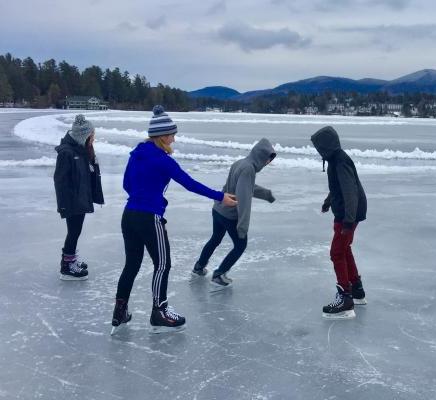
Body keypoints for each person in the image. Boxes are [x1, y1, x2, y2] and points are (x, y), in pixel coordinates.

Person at [111, 105, 237, 335]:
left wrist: (142, 195)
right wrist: (221, 197)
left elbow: (126, 185)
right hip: (150, 218)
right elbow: (189, 183)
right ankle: (159, 311)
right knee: (163, 264)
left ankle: (120, 311)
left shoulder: (137, 154)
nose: (174, 139)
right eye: (172, 135)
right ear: (163, 136)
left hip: (129, 216)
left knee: (132, 264)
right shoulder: (162, 160)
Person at [192, 138, 276, 291]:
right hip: (229, 214)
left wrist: (266, 194)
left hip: (218, 209)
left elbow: (242, 186)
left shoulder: (241, 163)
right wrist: (242, 226)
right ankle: (219, 274)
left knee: (215, 238)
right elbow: (243, 197)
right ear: (261, 156)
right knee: (240, 244)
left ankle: (199, 267)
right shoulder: (249, 169)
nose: (267, 163)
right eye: (267, 159)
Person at [310, 126, 367, 319]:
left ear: (326, 146)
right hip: (346, 212)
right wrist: (328, 202)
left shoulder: (340, 162)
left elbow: (350, 191)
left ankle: (345, 300)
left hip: (347, 214)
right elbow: (337, 188)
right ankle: (357, 291)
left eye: (319, 147)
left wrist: (348, 221)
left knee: (336, 252)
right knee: (344, 248)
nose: (318, 152)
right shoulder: (335, 159)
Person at [54, 114, 104, 281]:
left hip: (80, 198)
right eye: (92, 135)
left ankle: (71, 260)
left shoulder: (82, 150)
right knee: (73, 232)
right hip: (72, 201)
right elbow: (60, 180)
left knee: (76, 232)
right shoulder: (67, 153)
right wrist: (64, 205)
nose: (93, 138)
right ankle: (67, 266)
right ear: (84, 135)